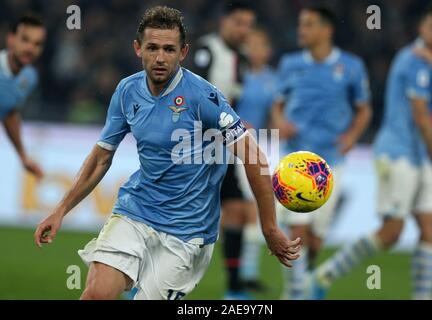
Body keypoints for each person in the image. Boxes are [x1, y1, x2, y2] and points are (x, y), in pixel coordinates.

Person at [34, 6, 300, 300]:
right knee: (96, 294)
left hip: (187, 234)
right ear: (138, 48)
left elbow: (254, 157)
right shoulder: (126, 92)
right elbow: (101, 157)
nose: (160, 57)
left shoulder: (204, 97)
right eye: (153, 48)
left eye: (169, 49)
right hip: (135, 213)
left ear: (183, 52)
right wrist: (60, 210)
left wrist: (269, 227)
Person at [311, 1, 432, 300]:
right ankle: (327, 273)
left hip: (418, 155)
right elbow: (422, 118)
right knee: (391, 233)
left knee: (431, 228)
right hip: (397, 154)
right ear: (421, 28)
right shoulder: (413, 60)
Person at [271, 4, 372, 299]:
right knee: (296, 230)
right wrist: (280, 122)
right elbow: (277, 104)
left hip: (330, 162)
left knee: (314, 239)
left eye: (309, 24)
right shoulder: (290, 63)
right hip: (295, 159)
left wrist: (353, 136)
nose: (301, 30)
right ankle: (294, 292)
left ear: (327, 30)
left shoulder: (351, 66)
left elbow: (364, 109)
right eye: (301, 24)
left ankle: (307, 281)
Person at [191, 1, 258, 298]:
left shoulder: (242, 59)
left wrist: (237, 123)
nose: (244, 30)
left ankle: (233, 288)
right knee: (179, 216)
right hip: (193, 146)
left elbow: (231, 103)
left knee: (238, 212)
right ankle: (141, 281)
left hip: (222, 146)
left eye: (248, 24)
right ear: (224, 22)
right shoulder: (207, 50)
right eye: (239, 22)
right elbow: (190, 95)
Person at [235, 27, 277, 292]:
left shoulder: (273, 80)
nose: (254, 49)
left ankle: (247, 272)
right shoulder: (235, 72)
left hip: (255, 146)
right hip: (226, 143)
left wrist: (280, 130)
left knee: (252, 208)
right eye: (250, 44)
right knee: (241, 210)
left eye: (259, 44)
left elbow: (276, 113)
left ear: (267, 50)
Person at [1, 13, 46, 179]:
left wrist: (23, 157)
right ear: (11, 39)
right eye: (25, 40)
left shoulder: (29, 77)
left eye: (37, 44)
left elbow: (9, 112)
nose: (30, 48)